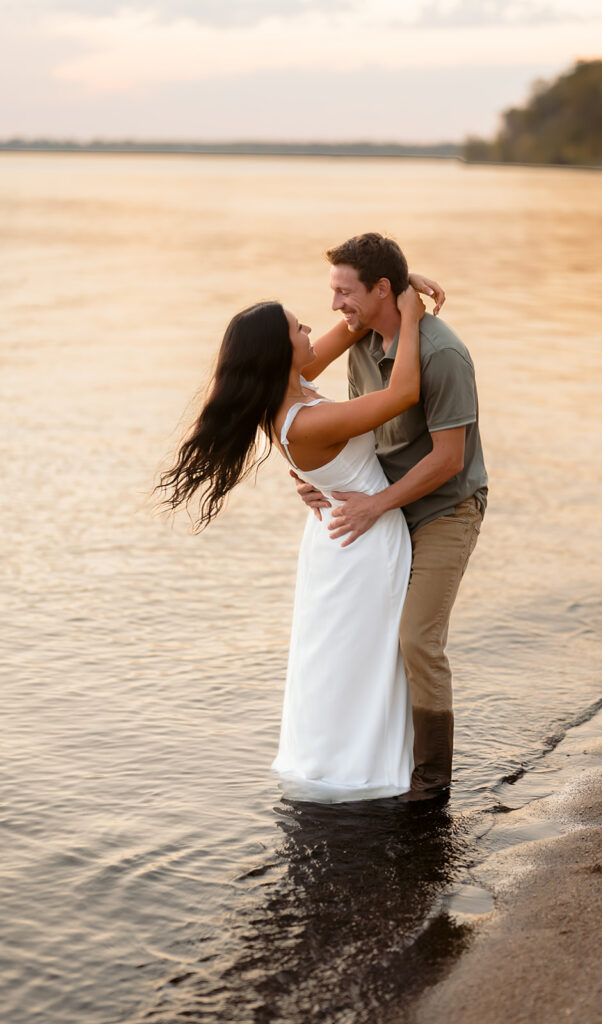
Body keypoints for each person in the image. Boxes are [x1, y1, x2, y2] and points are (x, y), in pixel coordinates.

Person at [156, 277, 442, 801]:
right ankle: (362, 777)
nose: (312, 326)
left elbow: (349, 327)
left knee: (344, 661)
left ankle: (352, 769)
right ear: (279, 352)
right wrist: (413, 316)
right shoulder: (307, 419)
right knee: (356, 663)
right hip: (361, 543)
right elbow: (404, 393)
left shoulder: (287, 390)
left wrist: (393, 284)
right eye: (297, 327)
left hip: (337, 539)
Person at [293, 233, 487, 802]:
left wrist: (375, 505)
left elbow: (449, 459)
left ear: (380, 290)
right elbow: (304, 377)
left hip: (443, 508)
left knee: (416, 639)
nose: (334, 306)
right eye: (333, 292)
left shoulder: (441, 354)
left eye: (344, 292)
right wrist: (316, 478)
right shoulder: (361, 334)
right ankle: (378, 760)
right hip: (382, 501)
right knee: (369, 636)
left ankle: (431, 782)